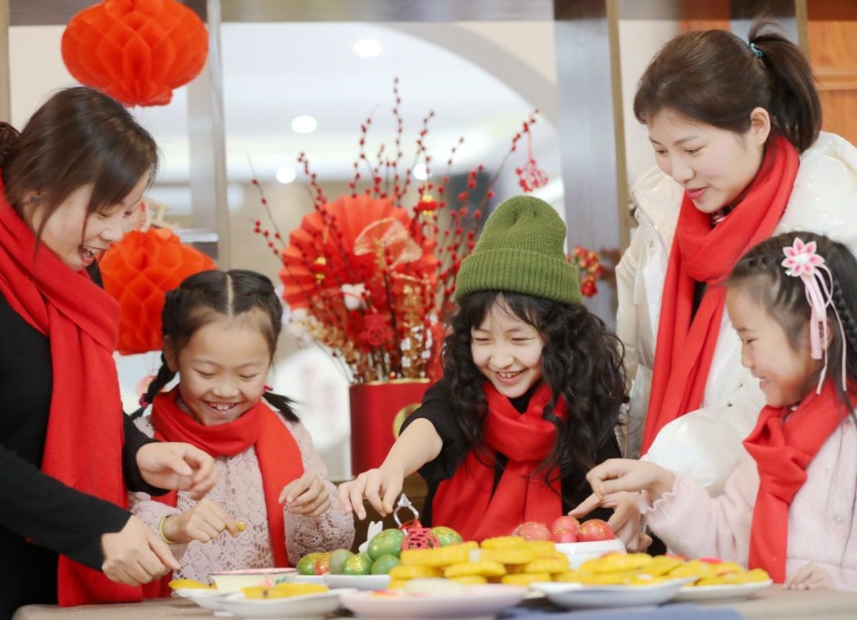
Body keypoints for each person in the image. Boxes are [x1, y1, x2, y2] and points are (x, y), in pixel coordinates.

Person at [0, 86, 221, 619]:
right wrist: (100, 526)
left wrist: (139, 455)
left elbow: (80, 403)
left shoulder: (74, 269)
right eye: (103, 211)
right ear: (39, 186)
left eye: (126, 212)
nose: (115, 234)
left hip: (56, 572)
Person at [618, 19, 857, 493]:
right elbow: (634, 364)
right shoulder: (663, 215)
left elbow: (783, 391)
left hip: (779, 494)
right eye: (660, 150)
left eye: (692, 148)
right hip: (674, 494)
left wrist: (664, 473)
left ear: (757, 125)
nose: (677, 171)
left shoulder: (822, 226)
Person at [337, 196, 641, 546]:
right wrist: (393, 467)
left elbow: (610, 504)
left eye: (518, 339)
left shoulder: (584, 404)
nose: (499, 359)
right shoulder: (464, 392)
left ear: (558, 337)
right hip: (457, 574)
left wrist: (630, 508)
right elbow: (432, 423)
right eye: (482, 339)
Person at [586, 232, 857, 591]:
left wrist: (843, 583)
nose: (745, 360)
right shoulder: (774, 436)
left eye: (750, 340)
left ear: (818, 334)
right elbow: (728, 541)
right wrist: (659, 481)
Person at [129, 269, 354, 594]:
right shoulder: (142, 442)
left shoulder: (291, 433)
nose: (225, 390)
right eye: (206, 373)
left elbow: (321, 556)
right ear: (172, 353)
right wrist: (173, 527)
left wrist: (317, 508)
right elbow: (114, 543)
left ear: (269, 360)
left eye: (247, 375)